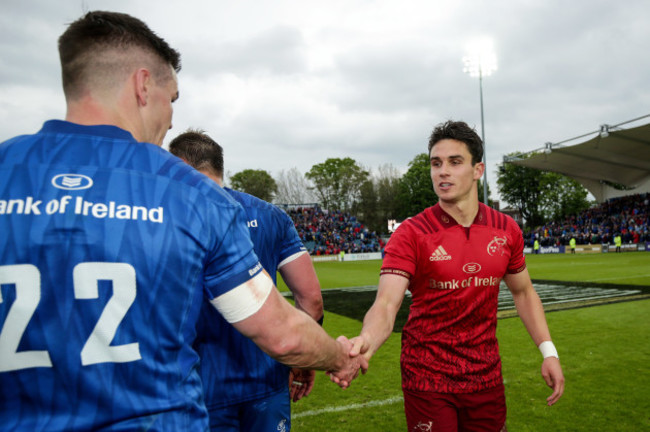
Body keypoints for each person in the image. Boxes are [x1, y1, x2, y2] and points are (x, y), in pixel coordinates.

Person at [0, 11, 362, 432]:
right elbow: (281, 334)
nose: (171, 118)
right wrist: (340, 357)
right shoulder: (192, 194)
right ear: (142, 85)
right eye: (172, 99)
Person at [345, 121, 565, 431]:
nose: (442, 171)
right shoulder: (412, 233)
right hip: (428, 377)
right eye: (436, 163)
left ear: (478, 170)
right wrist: (366, 340)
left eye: (454, 162)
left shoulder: (506, 230)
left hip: (485, 376)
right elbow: (386, 304)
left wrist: (549, 352)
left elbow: (524, 293)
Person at [168, 130, 323, 431]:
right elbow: (311, 298)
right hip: (266, 380)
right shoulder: (270, 215)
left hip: (199, 385)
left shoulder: (171, 218)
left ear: (182, 165)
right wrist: (302, 359)